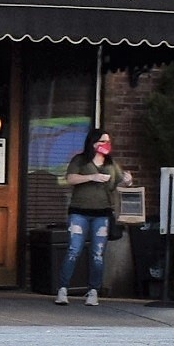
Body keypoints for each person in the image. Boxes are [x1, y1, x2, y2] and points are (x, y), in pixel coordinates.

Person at [56, 129, 129, 306]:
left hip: (102, 214)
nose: (106, 144)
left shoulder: (112, 164)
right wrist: (92, 177)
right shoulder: (80, 160)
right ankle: (62, 289)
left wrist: (127, 181)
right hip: (79, 212)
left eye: (108, 141)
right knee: (74, 250)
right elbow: (70, 178)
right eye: (103, 141)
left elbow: (120, 183)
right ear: (93, 143)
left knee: (97, 254)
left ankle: (93, 290)